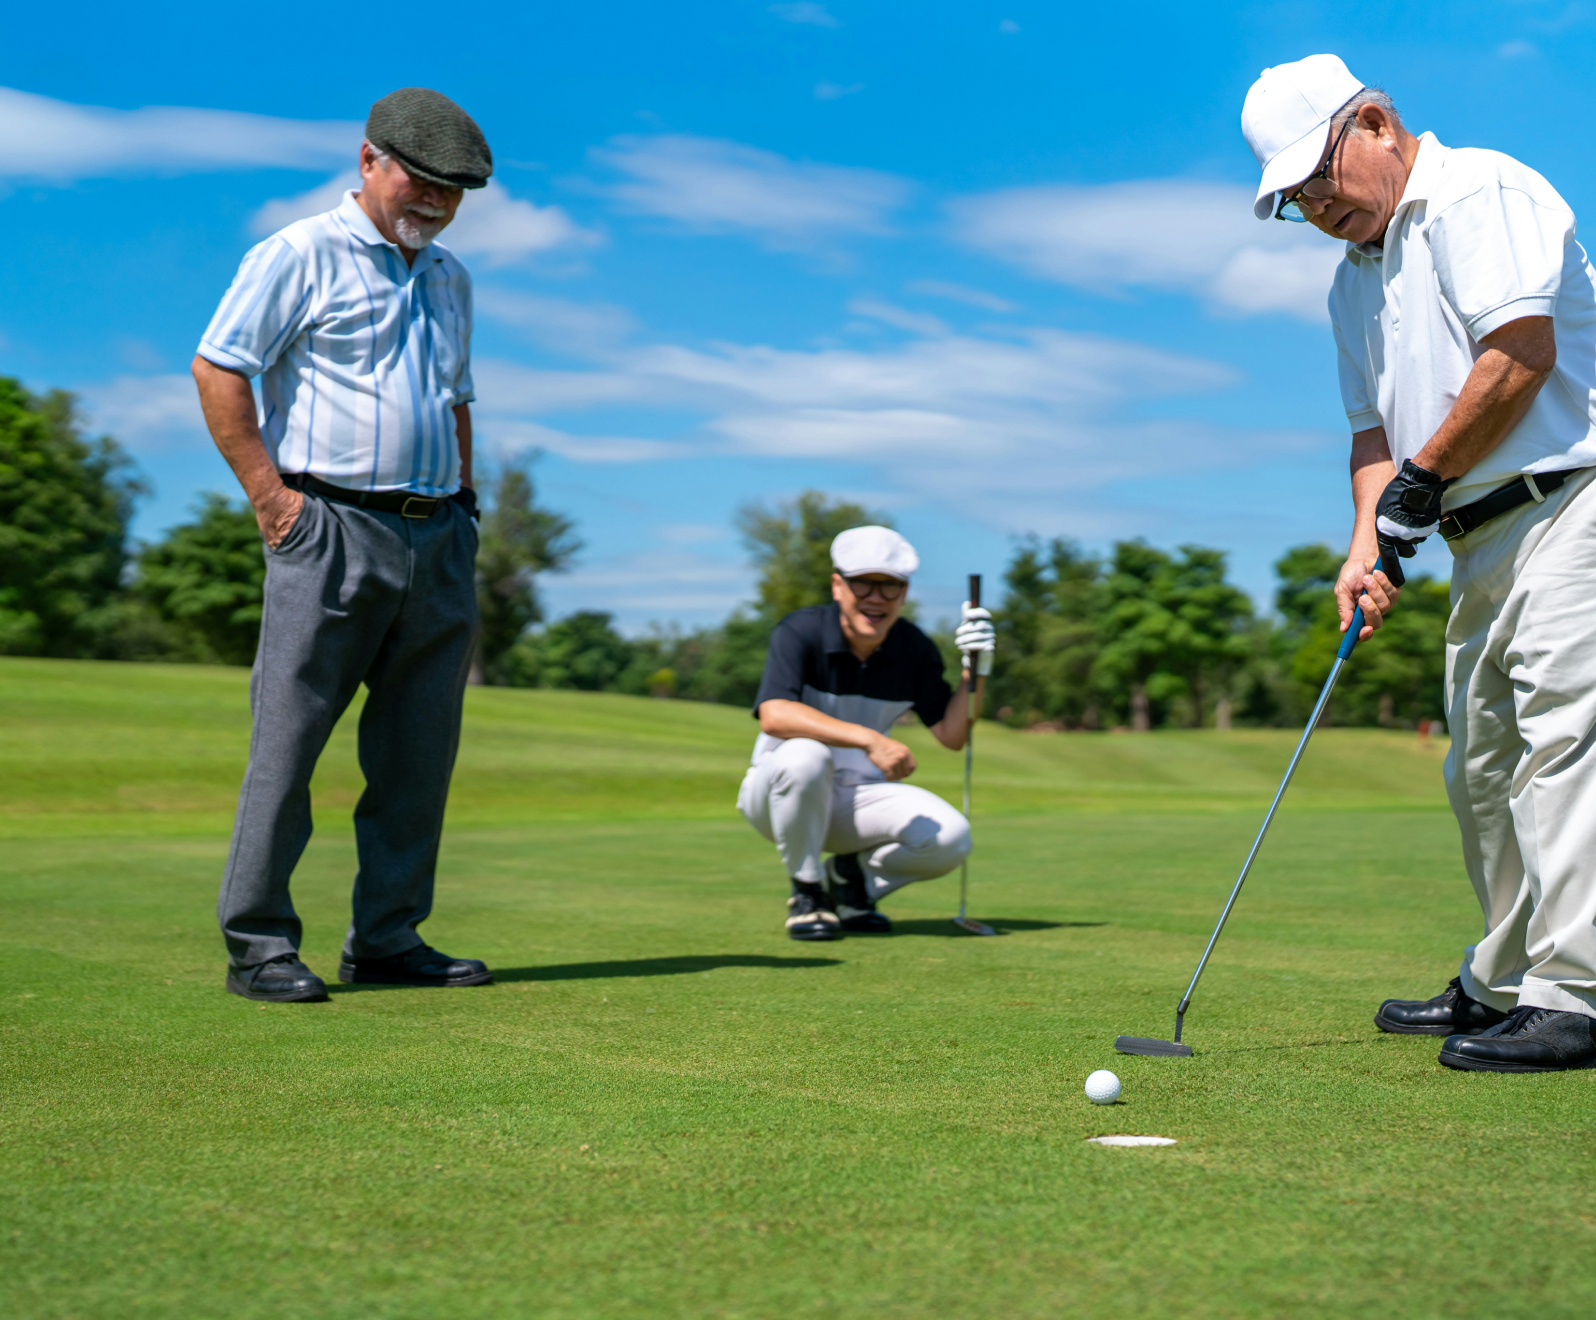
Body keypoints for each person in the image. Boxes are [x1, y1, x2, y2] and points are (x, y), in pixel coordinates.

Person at [1243, 55, 1596, 1071]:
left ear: (1378, 124)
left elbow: (1518, 355)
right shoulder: (1352, 283)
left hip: (1572, 501)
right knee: (1479, 767)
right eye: (1294, 201)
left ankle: (1575, 995)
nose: (1314, 207)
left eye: (1321, 180)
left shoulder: (1479, 188)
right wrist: (1368, 545)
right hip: (1473, 531)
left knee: (1565, 744)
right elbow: (1374, 441)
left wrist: (1422, 483)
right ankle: (1504, 981)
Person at [192, 88, 495, 1002]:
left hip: (436, 536)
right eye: (421, 179)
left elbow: (455, 399)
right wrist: (270, 500)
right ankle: (259, 945)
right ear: (369, 160)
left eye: (454, 190)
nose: (435, 202)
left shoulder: (451, 276)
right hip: (328, 527)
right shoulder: (297, 252)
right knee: (288, 749)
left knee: (415, 757)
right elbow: (220, 365)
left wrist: (466, 507)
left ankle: (390, 939)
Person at [737, 526, 997, 939]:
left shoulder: (914, 648)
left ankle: (848, 880)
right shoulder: (801, 631)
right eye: (863, 584)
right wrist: (870, 738)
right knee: (806, 755)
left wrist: (976, 670)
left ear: (904, 592)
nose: (876, 597)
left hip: (854, 801)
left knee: (952, 839)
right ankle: (807, 892)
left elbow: (952, 734)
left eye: (890, 586)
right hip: (777, 796)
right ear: (838, 586)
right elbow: (775, 714)